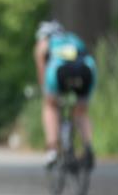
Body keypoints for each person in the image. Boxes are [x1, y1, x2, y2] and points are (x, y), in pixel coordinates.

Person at [34, 20, 96, 170]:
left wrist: (45, 90)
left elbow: (42, 69)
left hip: (59, 72)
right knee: (81, 111)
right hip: (86, 71)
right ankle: (88, 146)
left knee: (50, 106)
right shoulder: (73, 39)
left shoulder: (44, 43)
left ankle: (53, 149)